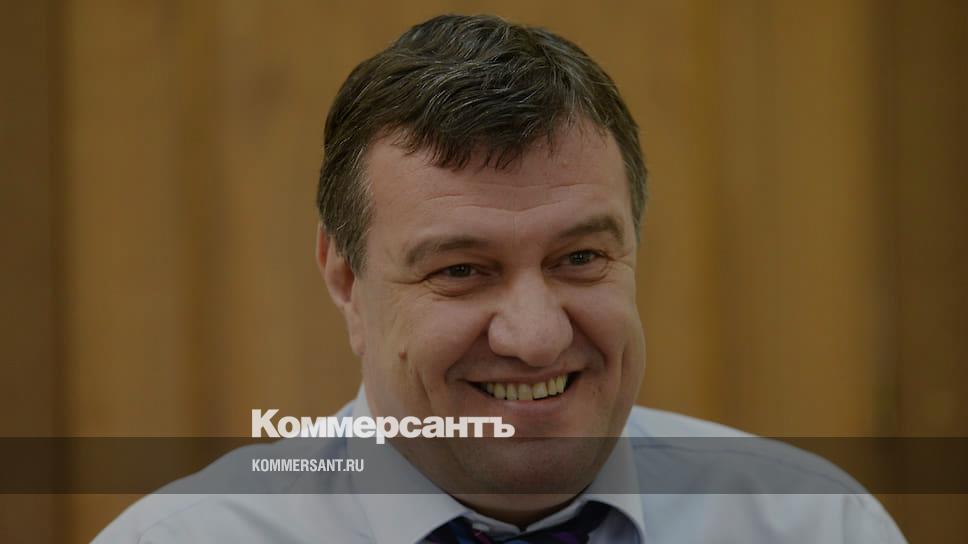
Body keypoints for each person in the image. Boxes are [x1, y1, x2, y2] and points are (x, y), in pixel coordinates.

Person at [95, 14, 906, 543]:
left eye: (579, 259)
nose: (537, 337)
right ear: (345, 279)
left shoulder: (812, 525)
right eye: (462, 270)